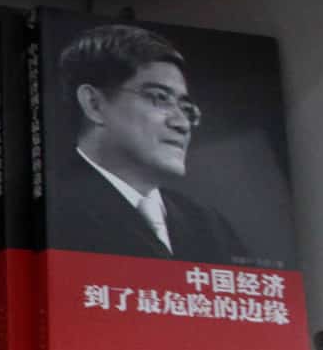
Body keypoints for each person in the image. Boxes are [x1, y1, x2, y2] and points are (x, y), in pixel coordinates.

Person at [45, 23, 256, 265]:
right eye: (159, 98)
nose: (182, 124)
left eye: (186, 108)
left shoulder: (210, 225)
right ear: (94, 104)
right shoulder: (51, 211)